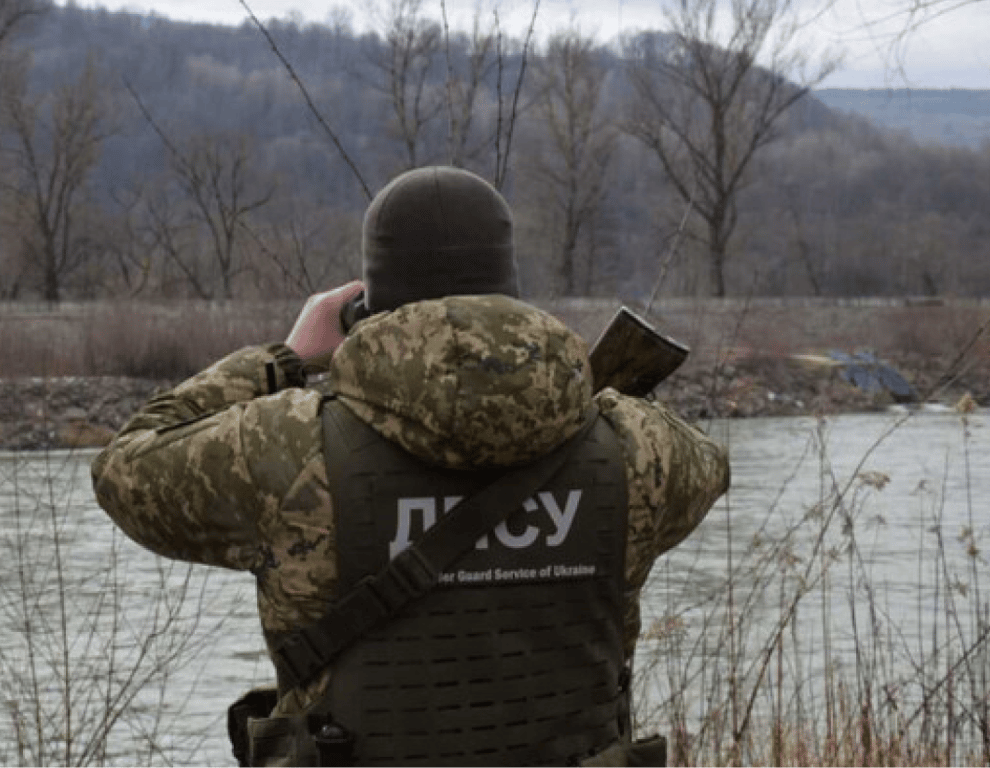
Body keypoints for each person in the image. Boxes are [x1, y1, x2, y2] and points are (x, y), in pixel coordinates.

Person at [91, 166, 729, 768]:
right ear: (511, 294)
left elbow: (123, 468)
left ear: (367, 309)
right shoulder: (638, 450)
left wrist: (285, 358)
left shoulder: (284, 450)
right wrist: (565, 389)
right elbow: (710, 465)